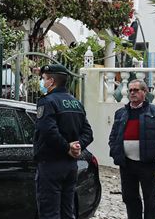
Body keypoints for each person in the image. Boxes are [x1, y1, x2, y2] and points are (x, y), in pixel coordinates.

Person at [34, 64, 93, 219]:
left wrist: (68, 147)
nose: (42, 82)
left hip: (51, 164)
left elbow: (48, 131)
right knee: (68, 211)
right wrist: (77, 146)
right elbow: (88, 133)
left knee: (50, 212)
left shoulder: (47, 102)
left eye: (44, 79)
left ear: (51, 81)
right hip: (70, 166)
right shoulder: (76, 103)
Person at [108, 79, 155, 219]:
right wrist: (114, 151)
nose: (132, 93)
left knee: (150, 199)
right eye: (130, 90)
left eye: (136, 90)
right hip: (126, 163)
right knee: (130, 197)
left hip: (146, 162)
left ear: (144, 92)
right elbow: (113, 136)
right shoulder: (120, 113)